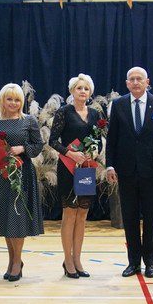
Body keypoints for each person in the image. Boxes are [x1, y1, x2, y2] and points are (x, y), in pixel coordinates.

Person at [105, 67, 153, 279]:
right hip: (126, 172)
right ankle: (133, 262)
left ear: (147, 82)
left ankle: (150, 263)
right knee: (130, 218)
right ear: (127, 83)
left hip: (151, 172)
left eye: (139, 79)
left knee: (152, 219)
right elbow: (112, 138)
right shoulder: (118, 105)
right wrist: (110, 165)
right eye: (132, 79)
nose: (135, 82)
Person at [0, 83, 45, 282]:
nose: (13, 103)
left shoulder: (29, 121)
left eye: (17, 99)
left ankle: (17, 262)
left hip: (22, 175)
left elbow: (38, 146)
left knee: (17, 219)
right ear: (3, 100)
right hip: (1, 178)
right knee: (7, 219)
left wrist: (22, 149)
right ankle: (13, 260)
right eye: (9, 99)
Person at [48, 74, 103, 278]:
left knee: (82, 214)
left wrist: (94, 151)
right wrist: (70, 153)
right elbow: (52, 141)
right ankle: (68, 260)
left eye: (86, 88)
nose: (82, 91)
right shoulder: (63, 112)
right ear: (72, 91)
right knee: (69, 213)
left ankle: (78, 259)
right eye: (79, 88)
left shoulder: (96, 114)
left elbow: (99, 140)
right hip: (67, 167)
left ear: (90, 92)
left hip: (86, 168)